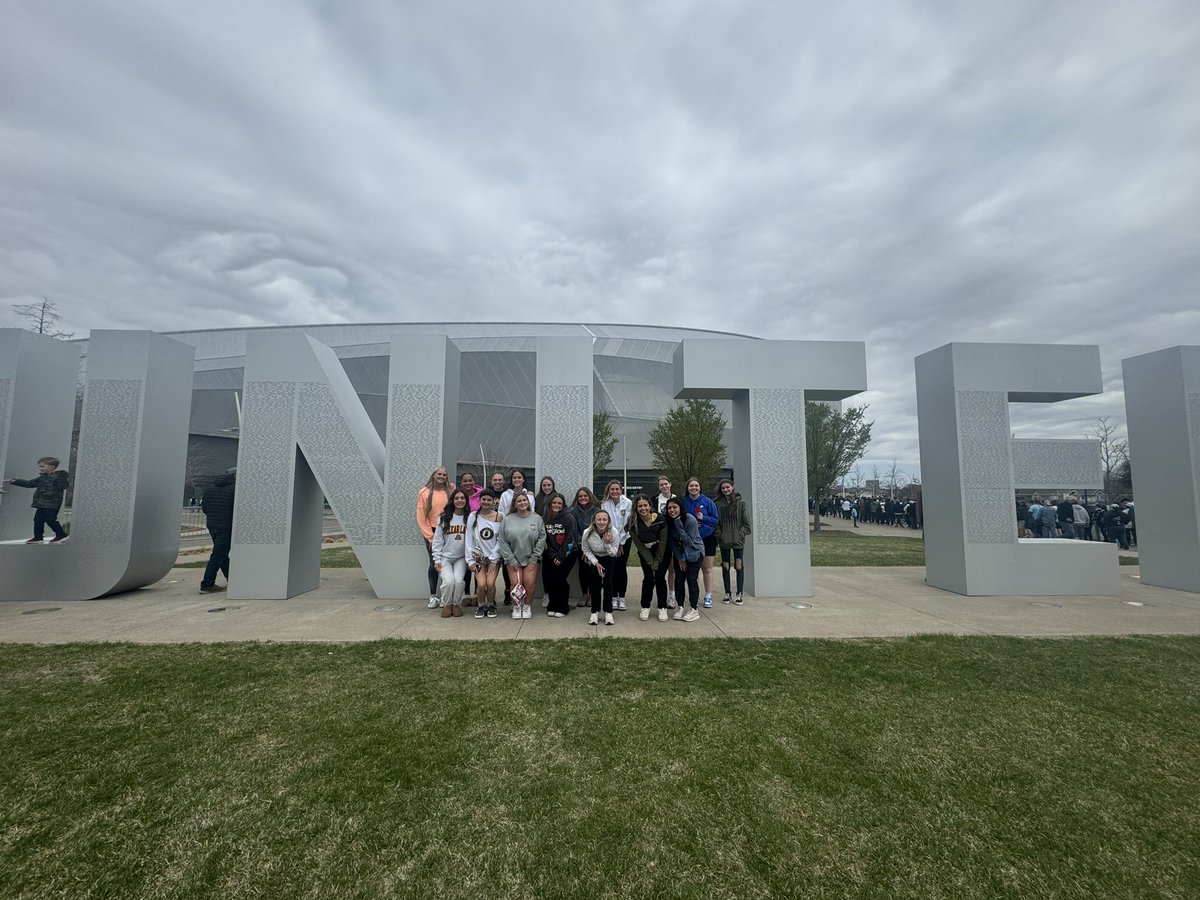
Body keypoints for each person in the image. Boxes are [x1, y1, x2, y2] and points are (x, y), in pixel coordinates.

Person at [3, 456, 70, 544]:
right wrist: (14, 481)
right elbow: (29, 483)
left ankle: (61, 534)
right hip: (41, 503)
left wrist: (61, 478)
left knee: (50, 519)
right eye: (40, 466)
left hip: (52, 504)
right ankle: (38, 537)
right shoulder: (42, 478)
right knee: (38, 520)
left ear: (52, 466)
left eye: (42, 466)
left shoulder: (59, 477)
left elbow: (63, 486)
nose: (40, 468)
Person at [498, 492, 544, 620]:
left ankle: (527, 606)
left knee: (529, 583)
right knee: (515, 584)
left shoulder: (537, 519)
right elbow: (502, 541)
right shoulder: (507, 520)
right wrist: (511, 560)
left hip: (531, 559)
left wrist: (534, 559)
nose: (522, 503)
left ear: (528, 502)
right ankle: (517, 606)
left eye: (525, 500)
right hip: (513, 559)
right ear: (514, 504)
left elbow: (542, 539)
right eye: (519, 501)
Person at [416, 467, 453, 608]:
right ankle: (433, 596)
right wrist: (430, 537)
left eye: (444, 474)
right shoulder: (424, 492)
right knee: (434, 563)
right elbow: (421, 516)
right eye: (439, 474)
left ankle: (445, 595)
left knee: (447, 562)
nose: (441, 476)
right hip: (432, 531)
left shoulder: (450, 490)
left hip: (448, 530)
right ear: (433, 476)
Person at [630, 495, 670, 621]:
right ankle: (645, 607)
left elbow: (663, 542)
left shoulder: (660, 519)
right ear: (636, 508)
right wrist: (651, 563)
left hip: (662, 552)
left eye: (645, 505)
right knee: (648, 578)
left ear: (650, 506)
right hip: (645, 553)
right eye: (640, 506)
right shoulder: (632, 524)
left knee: (659, 577)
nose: (643, 508)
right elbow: (640, 546)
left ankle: (662, 607)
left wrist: (657, 562)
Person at [431, 489, 469, 618]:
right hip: (445, 557)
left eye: (462, 498)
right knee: (448, 581)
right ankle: (447, 604)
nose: (459, 500)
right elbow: (437, 540)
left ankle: (455, 604)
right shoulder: (444, 517)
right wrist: (436, 559)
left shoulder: (469, 518)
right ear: (452, 501)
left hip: (461, 557)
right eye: (456, 498)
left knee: (458, 581)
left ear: (466, 501)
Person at [466, 490, 504, 619]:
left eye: (489, 500)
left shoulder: (499, 516)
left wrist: (494, 559)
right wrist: (470, 560)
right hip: (478, 559)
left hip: (493, 559)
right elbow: (469, 539)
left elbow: (501, 539)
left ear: (493, 501)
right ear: (480, 500)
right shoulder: (473, 516)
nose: (486, 502)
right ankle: (481, 605)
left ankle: (491, 604)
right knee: (481, 584)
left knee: (490, 583)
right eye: (484, 499)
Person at [681, 478, 719, 607]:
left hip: (707, 538)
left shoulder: (708, 502)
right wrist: (690, 524)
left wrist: (704, 518)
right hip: (691, 541)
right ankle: (694, 596)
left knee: (707, 568)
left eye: (696, 486)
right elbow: (678, 518)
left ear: (700, 487)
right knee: (693, 571)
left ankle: (708, 595)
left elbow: (715, 520)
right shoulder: (683, 502)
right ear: (687, 488)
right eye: (691, 486)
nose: (694, 488)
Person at [665, 497, 703, 622]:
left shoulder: (690, 519)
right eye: (669, 508)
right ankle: (680, 607)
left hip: (694, 553)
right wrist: (680, 558)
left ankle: (694, 609)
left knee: (691, 579)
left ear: (680, 508)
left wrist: (679, 525)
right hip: (680, 554)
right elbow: (671, 542)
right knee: (679, 579)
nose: (672, 510)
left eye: (675, 507)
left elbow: (689, 541)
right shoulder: (669, 521)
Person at [199, 467, 236, 593]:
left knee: (222, 553)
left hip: (212, 524)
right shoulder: (234, 490)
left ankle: (232, 578)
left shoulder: (211, 489)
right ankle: (207, 584)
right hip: (226, 526)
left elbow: (205, 507)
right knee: (218, 554)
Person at [714, 479, 751, 604]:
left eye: (727, 487)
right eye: (723, 488)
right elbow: (716, 522)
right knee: (725, 565)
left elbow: (747, 524)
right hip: (724, 540)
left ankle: (739, 593)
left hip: (738, 540)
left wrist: (739, 535)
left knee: (739, 565)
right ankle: (727, 593)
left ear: (732, 487)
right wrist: (720, 534)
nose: (726, 490)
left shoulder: (741, 502)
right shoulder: (717, 503)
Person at [581, 509, 620, 626]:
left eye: (604, 519)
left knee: (608, 584)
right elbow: (585, 549)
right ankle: (594, 612)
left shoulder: (614, 532)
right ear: (594, 521)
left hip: (608, 557)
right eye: (599, 519)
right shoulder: (587, 532)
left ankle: (608, 612)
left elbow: (613, 553)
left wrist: (607, 543)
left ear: (608, 521)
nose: (602, 522)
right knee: (595, 584)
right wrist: (595, 562)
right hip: (595, 558)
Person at [541, 492, 577, 617]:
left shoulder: (568, 517)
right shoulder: (545, 518)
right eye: (554, 503)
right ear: (550, 504)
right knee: (550, 579)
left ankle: (563, 606)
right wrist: (552, 555)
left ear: (563, 505)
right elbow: (544, 539)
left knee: (560, 578)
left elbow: (570, 539)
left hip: (567, 553)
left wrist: (560, 556)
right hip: (550, 554)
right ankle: (552, 605)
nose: (557, 505)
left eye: (559, 503)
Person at [601, 481, 633, 610]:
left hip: (625, 540)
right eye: (612, 489)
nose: (614, 491)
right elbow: (605, 523)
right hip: (610, 539)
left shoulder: (628, 503)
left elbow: (628, 524)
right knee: (612, 568)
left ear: (621, 490)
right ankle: (614, 596)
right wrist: (612, 541)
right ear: (608, 491)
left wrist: (620, 544)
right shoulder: (605, 504)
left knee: (621, 568)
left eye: (617, 489)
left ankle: (622, 597)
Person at [570, 487, 600, 608]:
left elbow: (598, 527)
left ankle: (592, 594)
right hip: (580, 546)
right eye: (580, 496)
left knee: (593, 571)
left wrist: (590, 546)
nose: (583, 498)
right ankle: (584, 594)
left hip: (595, 545)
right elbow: (574, 530)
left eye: (585, 496)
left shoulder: (597, 510)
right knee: (583, 570)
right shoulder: (573, 511)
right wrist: (583, 547)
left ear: (590, 497)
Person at [457, 472, 483, 602]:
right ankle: (466, 593)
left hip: (478, 534)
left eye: (470, 480)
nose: (468, 483)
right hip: (462, 532)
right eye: (465, 481)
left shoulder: (480, 495)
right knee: (467, 563)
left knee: (478, 562)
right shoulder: (459, 496)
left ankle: (478, 593)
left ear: (474, 481)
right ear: (461, 483)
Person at [654, 476, 677, 606]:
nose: (664, 486)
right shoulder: (654, 500)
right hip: (660, 539)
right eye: (661, 485)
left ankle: (672, 595)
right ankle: (664, 595)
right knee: (662, 569)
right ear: (659, 487)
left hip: (675, 537)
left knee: (673, 569)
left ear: (670, 484)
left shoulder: (677, 499)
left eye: (665, 484)